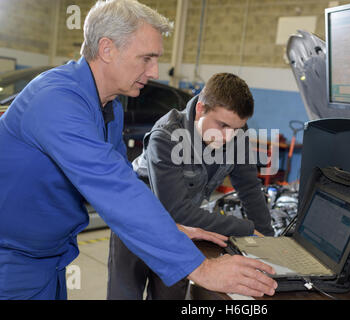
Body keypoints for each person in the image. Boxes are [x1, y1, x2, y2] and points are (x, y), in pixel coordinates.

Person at [0, 0, 277, 299]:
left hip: (51, 258)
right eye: (146, 58)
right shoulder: (56, 101)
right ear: (107, 49)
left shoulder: (109, 107)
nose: (155, 71)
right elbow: (115, 190)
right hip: (12, 262)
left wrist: (174, 229)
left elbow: (128, 180)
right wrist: (201, 267)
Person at [108, 73, 275, 299]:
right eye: (223, 125)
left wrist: (267, 240)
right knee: (126, 294)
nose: (228, 137)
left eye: (236, 129)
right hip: (136, 225)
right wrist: (246, 229)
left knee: (170, 295)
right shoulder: (166, 136)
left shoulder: (236, 133)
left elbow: (249, 187)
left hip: (182, 233)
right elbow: (177, 211)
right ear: (200, 109)